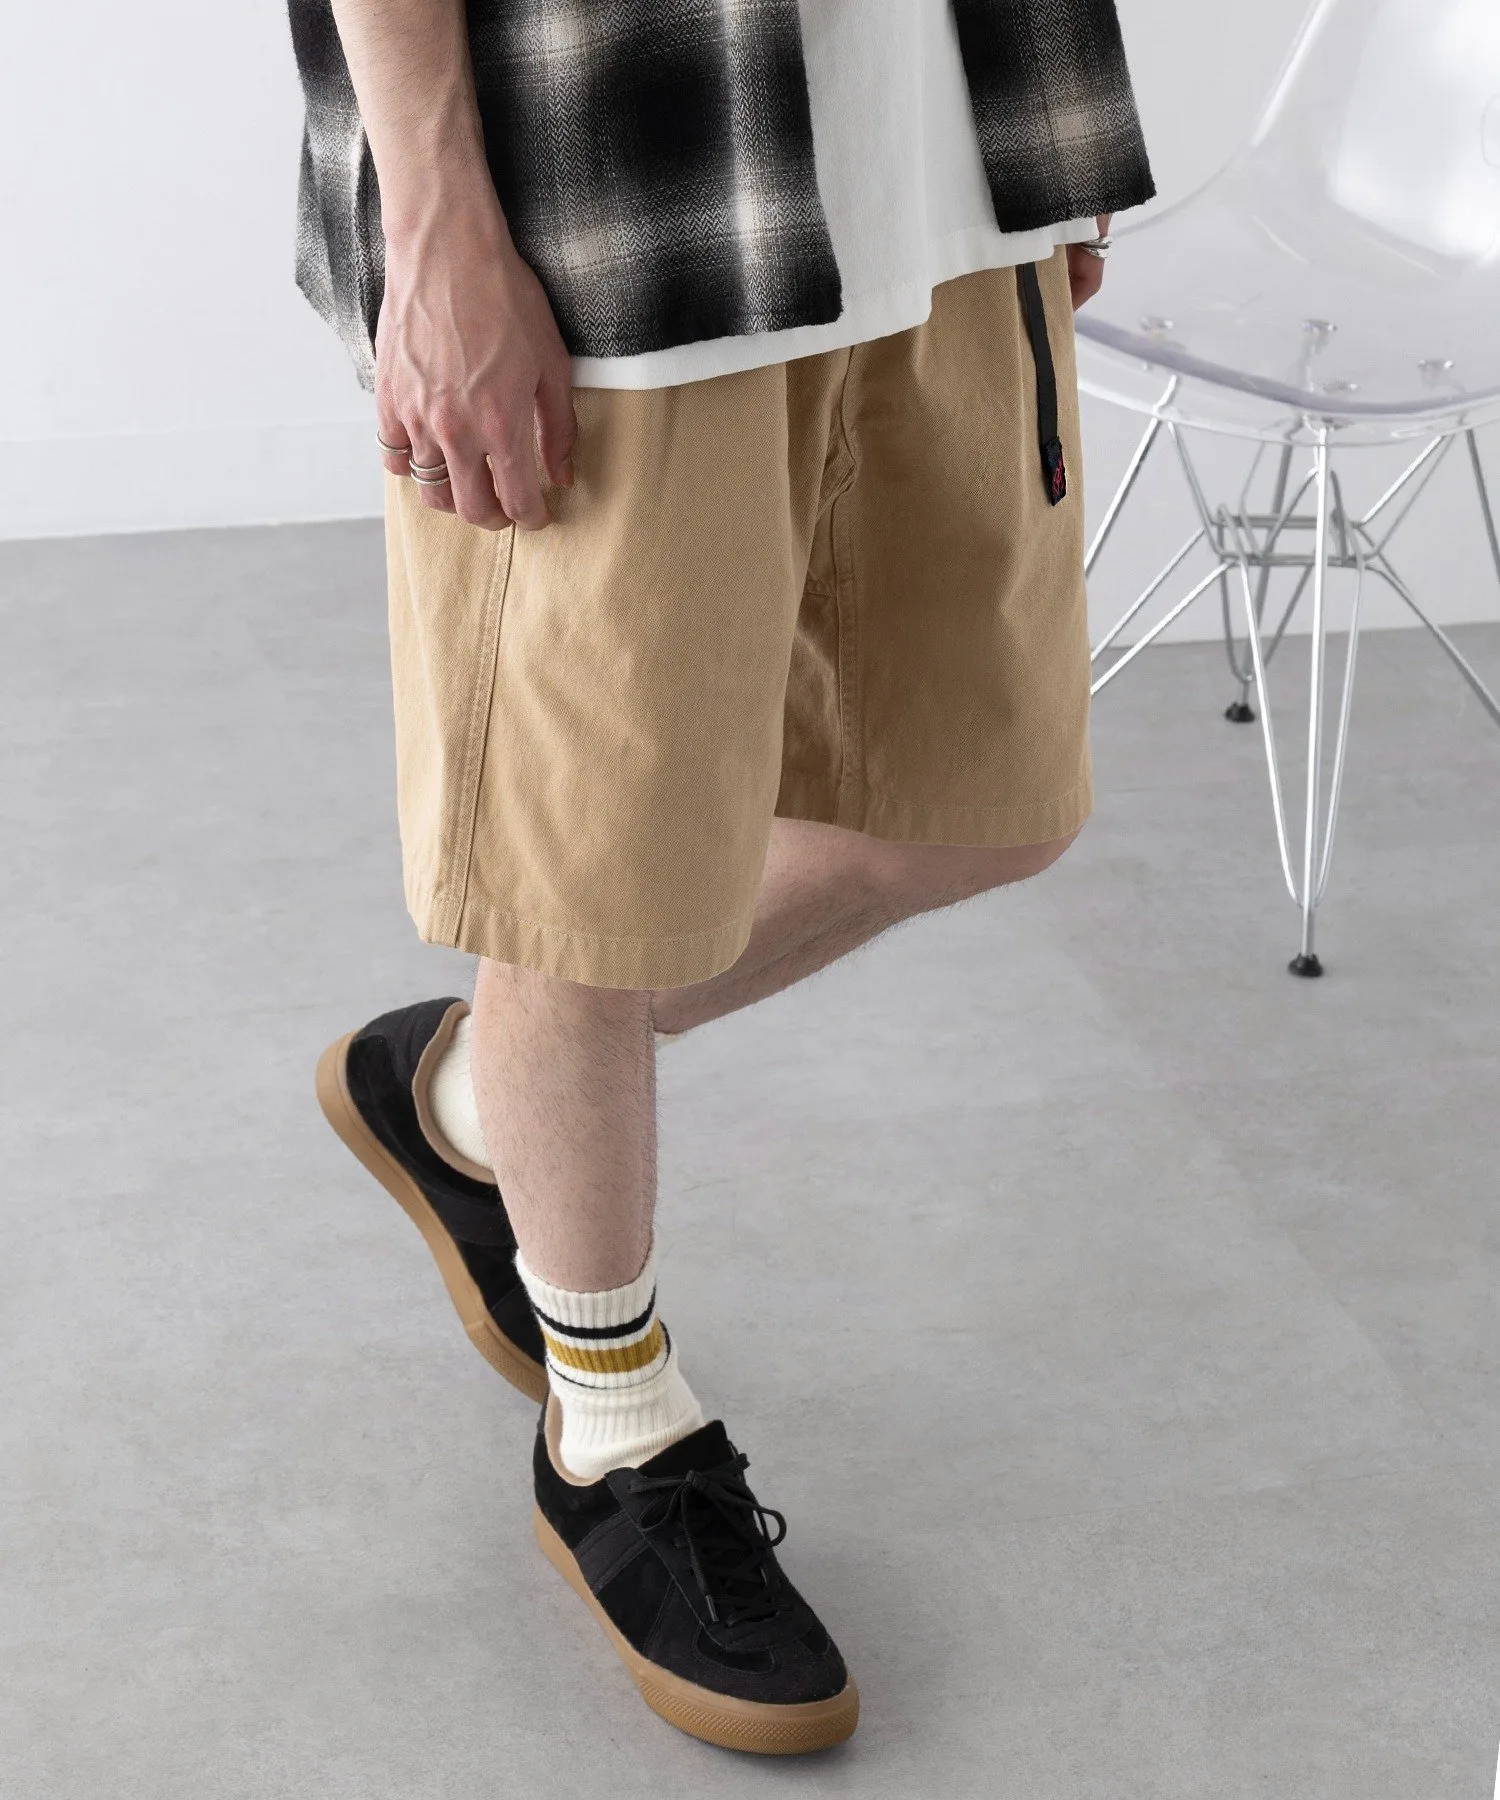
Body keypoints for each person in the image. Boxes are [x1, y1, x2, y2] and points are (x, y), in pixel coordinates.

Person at [292, 0, 1153, 1756]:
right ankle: (610, 1429)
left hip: (943, 169)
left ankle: (468, 1098)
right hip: (614, 190)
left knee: (982, 799)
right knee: (581, 883)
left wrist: (1050, 139)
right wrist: (437, 224)